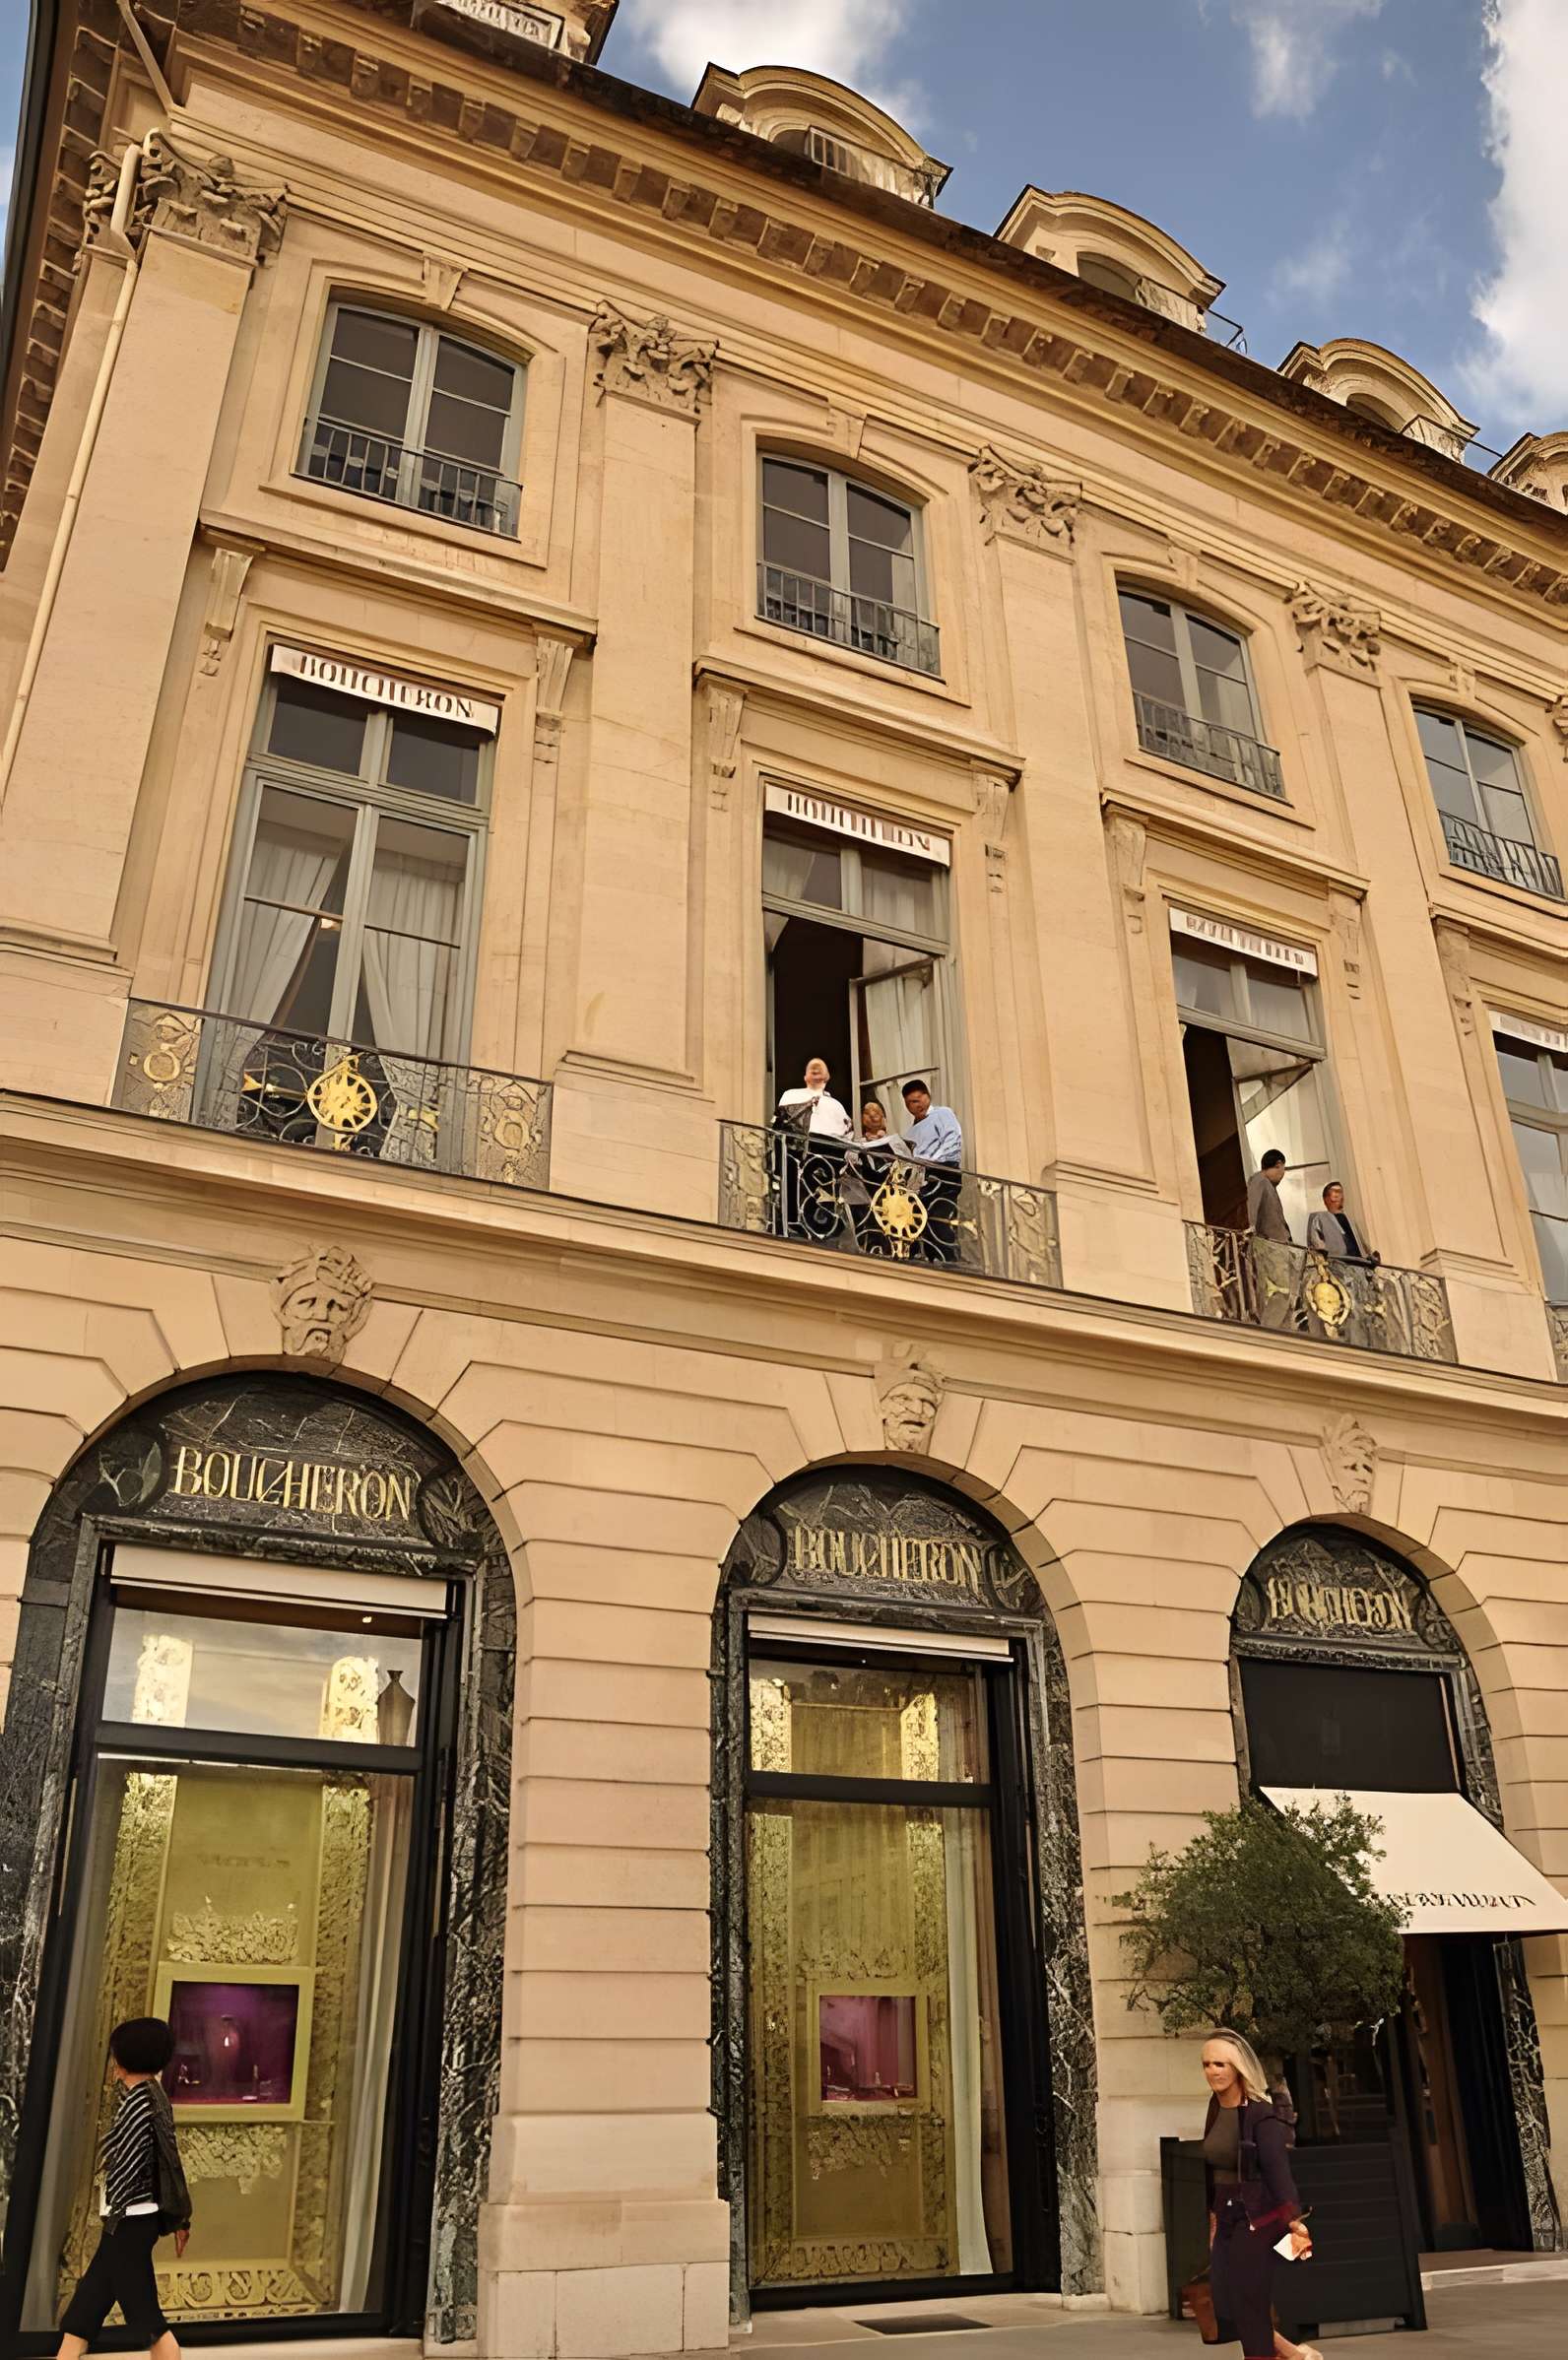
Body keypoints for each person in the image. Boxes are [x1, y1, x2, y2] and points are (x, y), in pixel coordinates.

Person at [56, 2015, 191, 2360]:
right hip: (133, 2221)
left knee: (148, 2320)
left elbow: (131, 2164)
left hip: (129, 2221)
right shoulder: (150, 2096)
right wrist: (181, 2218)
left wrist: (114, 2210)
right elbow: (169, 2161)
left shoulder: (139, 2104)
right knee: (85, 2311)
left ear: (124, 2057)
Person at [1200, 2030, 1320, 2360]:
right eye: (1207, 2064)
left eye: (1220, 2064)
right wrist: (1212, 2219)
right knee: (1225, 2302)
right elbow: (1212, 2169)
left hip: (1257, 2216)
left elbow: (1278, 2170)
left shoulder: (1260, 2114)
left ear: (1237, 2068)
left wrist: (1295, 2222)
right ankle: (1294, 2355)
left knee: (1248, 2302)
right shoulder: (1214, 2108)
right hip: (1224, 2215)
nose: (1213, 2071)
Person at [773, 1058, 852, 1239]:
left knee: (822, 1192)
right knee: (794, 1184)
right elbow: (782, 1122)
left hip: (827, 1154)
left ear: (828, 1076)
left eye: (820, 1067)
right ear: (805, 1076)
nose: (815, 1069)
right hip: (796, 1151)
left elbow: (846, 1135)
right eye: (811, 1067)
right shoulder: (791, 1095)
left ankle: (824, 1224)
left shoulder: (836, 1105)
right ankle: (791, 1221)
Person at [900, 1080, 964, 1266]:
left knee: (937, 1216)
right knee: (919, 1218)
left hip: (944, 1171)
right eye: (910, 1103)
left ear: (927, 1097)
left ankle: (948, 1260)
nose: (915, 1106)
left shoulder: (942, 1114)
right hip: (922, 1176)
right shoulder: (911, 1131)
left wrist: (932, 1161)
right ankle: (929, 1258)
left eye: (918, 1100)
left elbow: (952, 1140)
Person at [1245, 1149, 1297, 1330]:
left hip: (1278, 1246)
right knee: (1279, 1291)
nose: (1282, 1175)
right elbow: (1253, 1203)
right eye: (1282, 1170)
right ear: (1278, 1165)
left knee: (1285, 1292)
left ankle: (1282, 1328)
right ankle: (1270, 1328)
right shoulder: (1259, 1180)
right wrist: (1251, 1226)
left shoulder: (1269, 1187)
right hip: (1270, 1246)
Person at [843, 1098, 900, 1255]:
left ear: (884, 1118)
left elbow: (906, 1167)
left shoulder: (894, 1143)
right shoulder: (856, 1145)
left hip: (889, 1195)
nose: (873, 1116)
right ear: (862, 1119)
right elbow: (848, 1169)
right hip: (864, 1194)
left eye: (877, 1113)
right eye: (868, 1113)